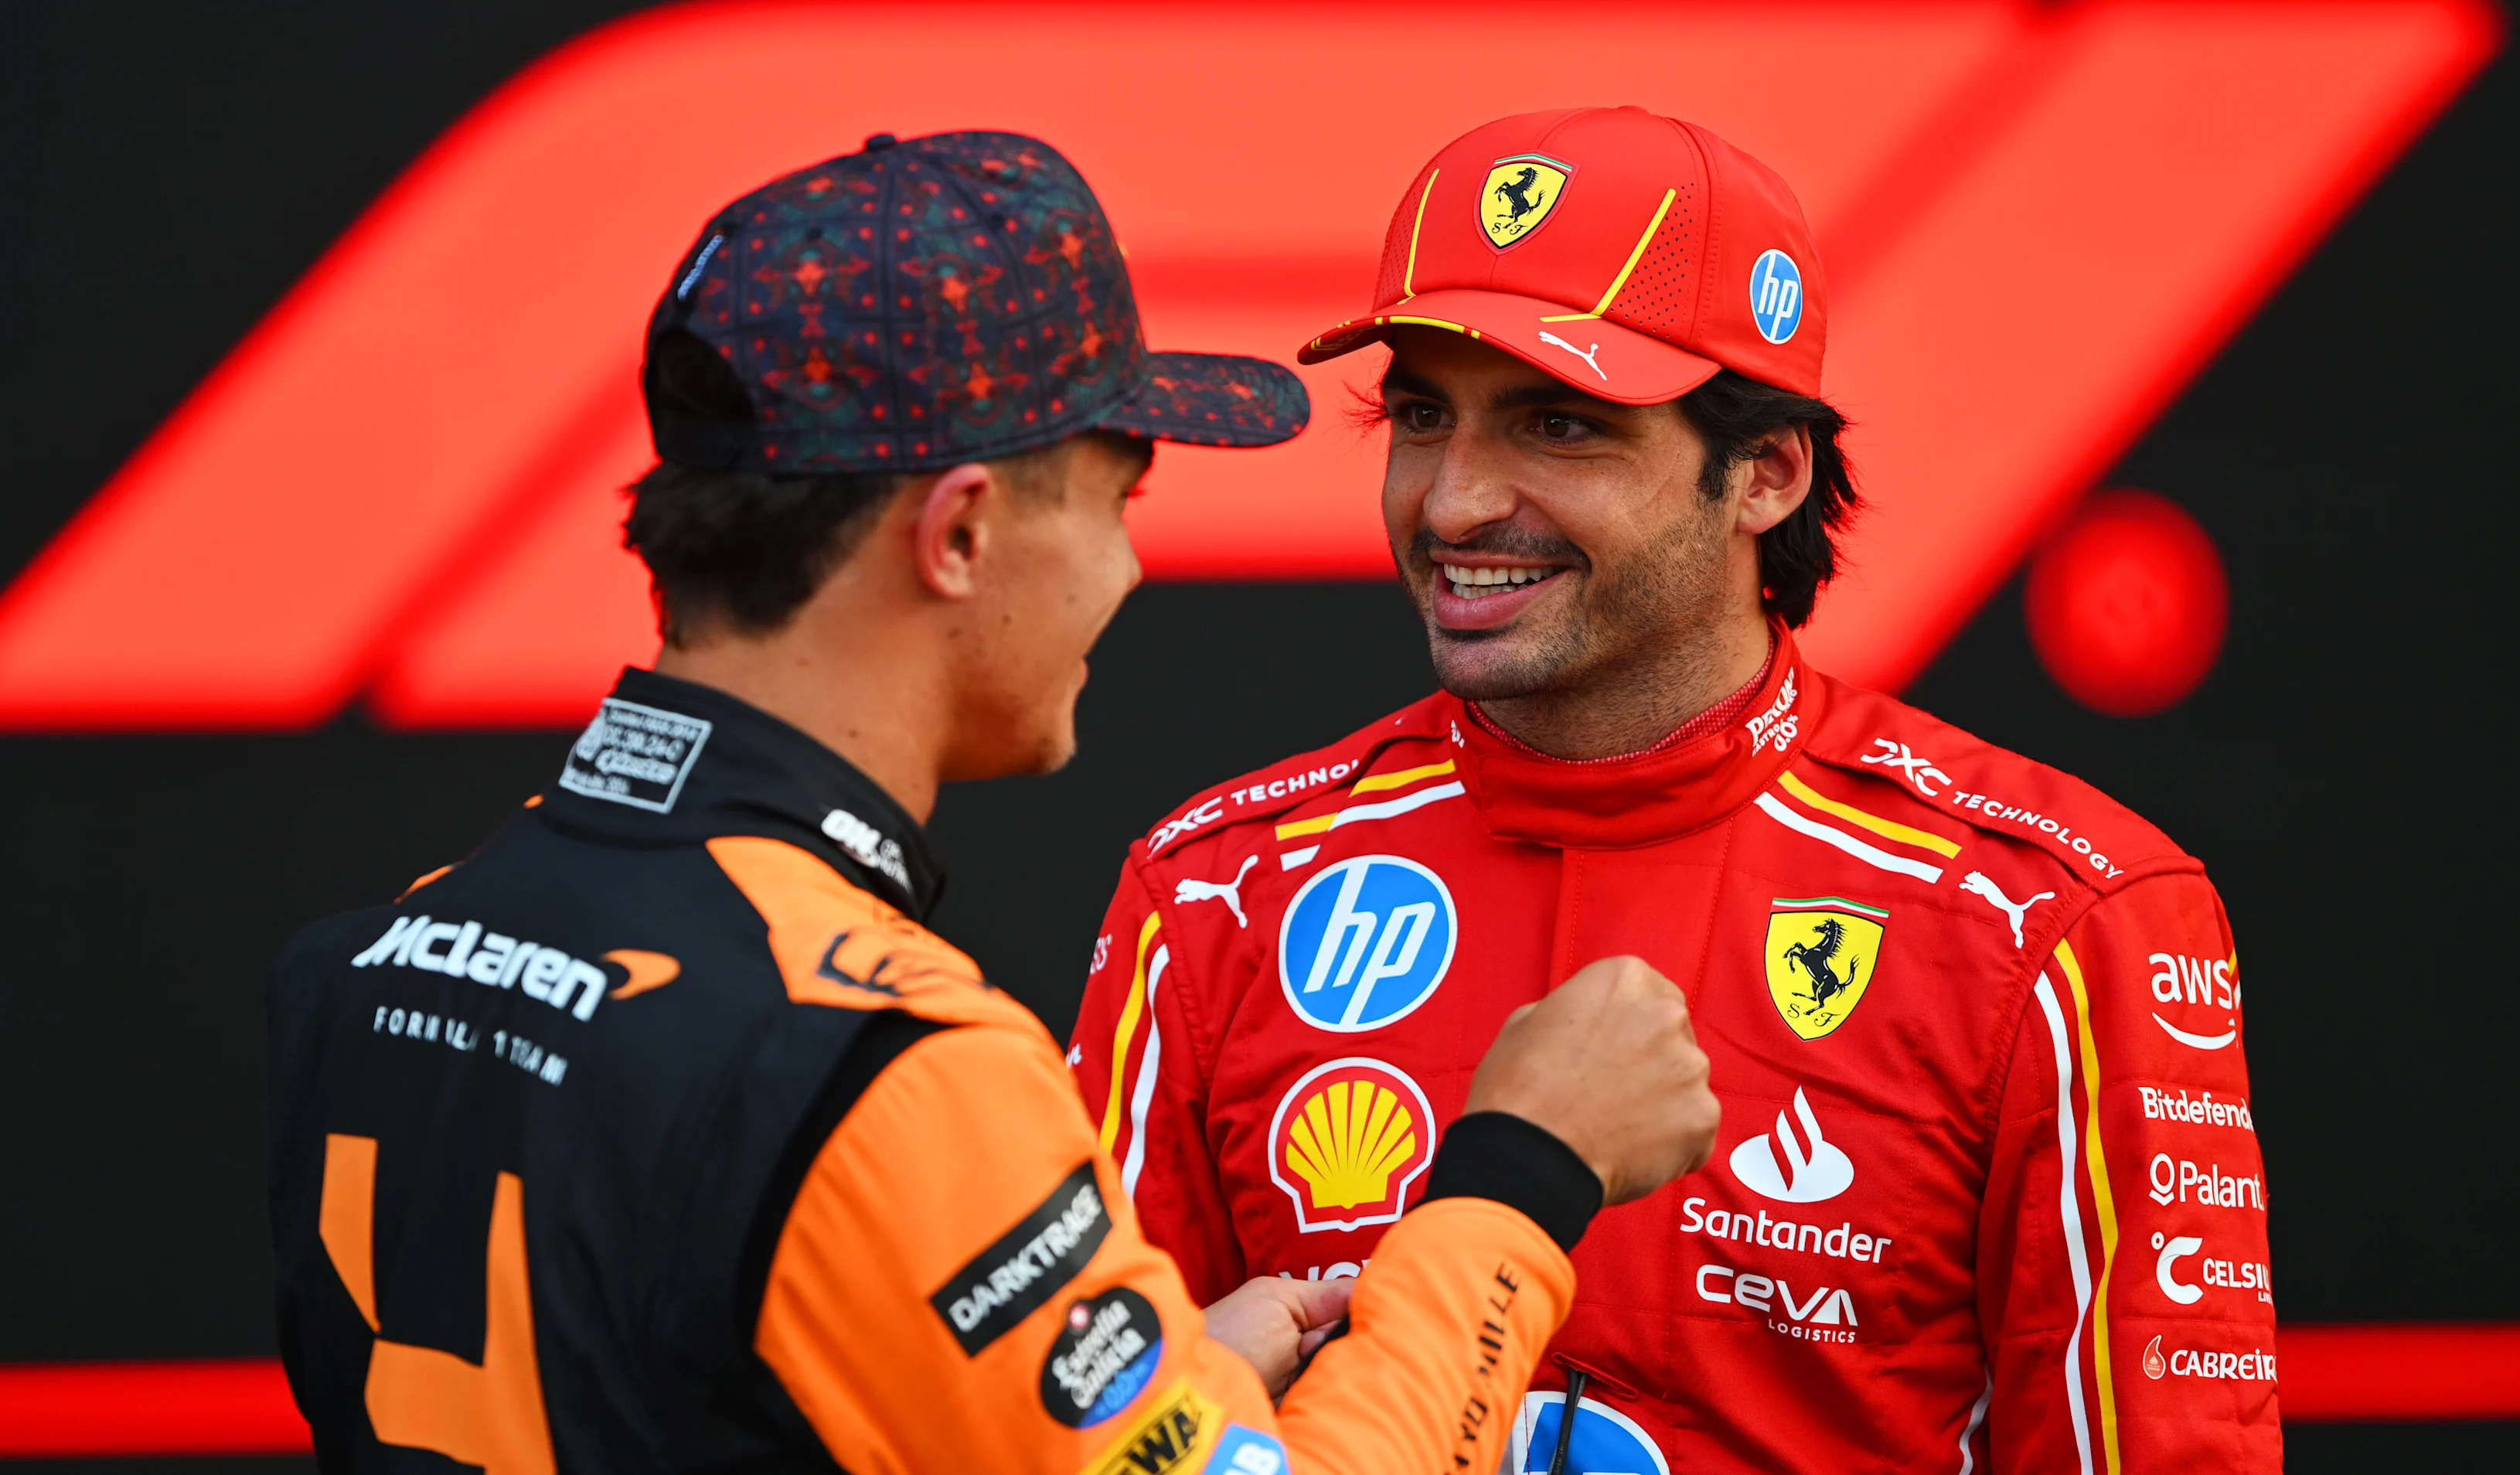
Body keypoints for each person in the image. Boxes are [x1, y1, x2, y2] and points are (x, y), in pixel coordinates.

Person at [266, 130, 1721, 1475]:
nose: (1128, 574)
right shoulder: (887, 1067)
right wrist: (1520, 1182)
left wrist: (1175, 1385)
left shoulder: (385, 954)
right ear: (961, 533)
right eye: (1116, 499)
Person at [1071, 107, 2280, 1473]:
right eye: (1421, 415)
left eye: (1558, 425)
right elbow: (1075, 1446)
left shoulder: (2058, 919)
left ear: (1766, 471)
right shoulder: (1216, 893)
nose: (1455, 502)